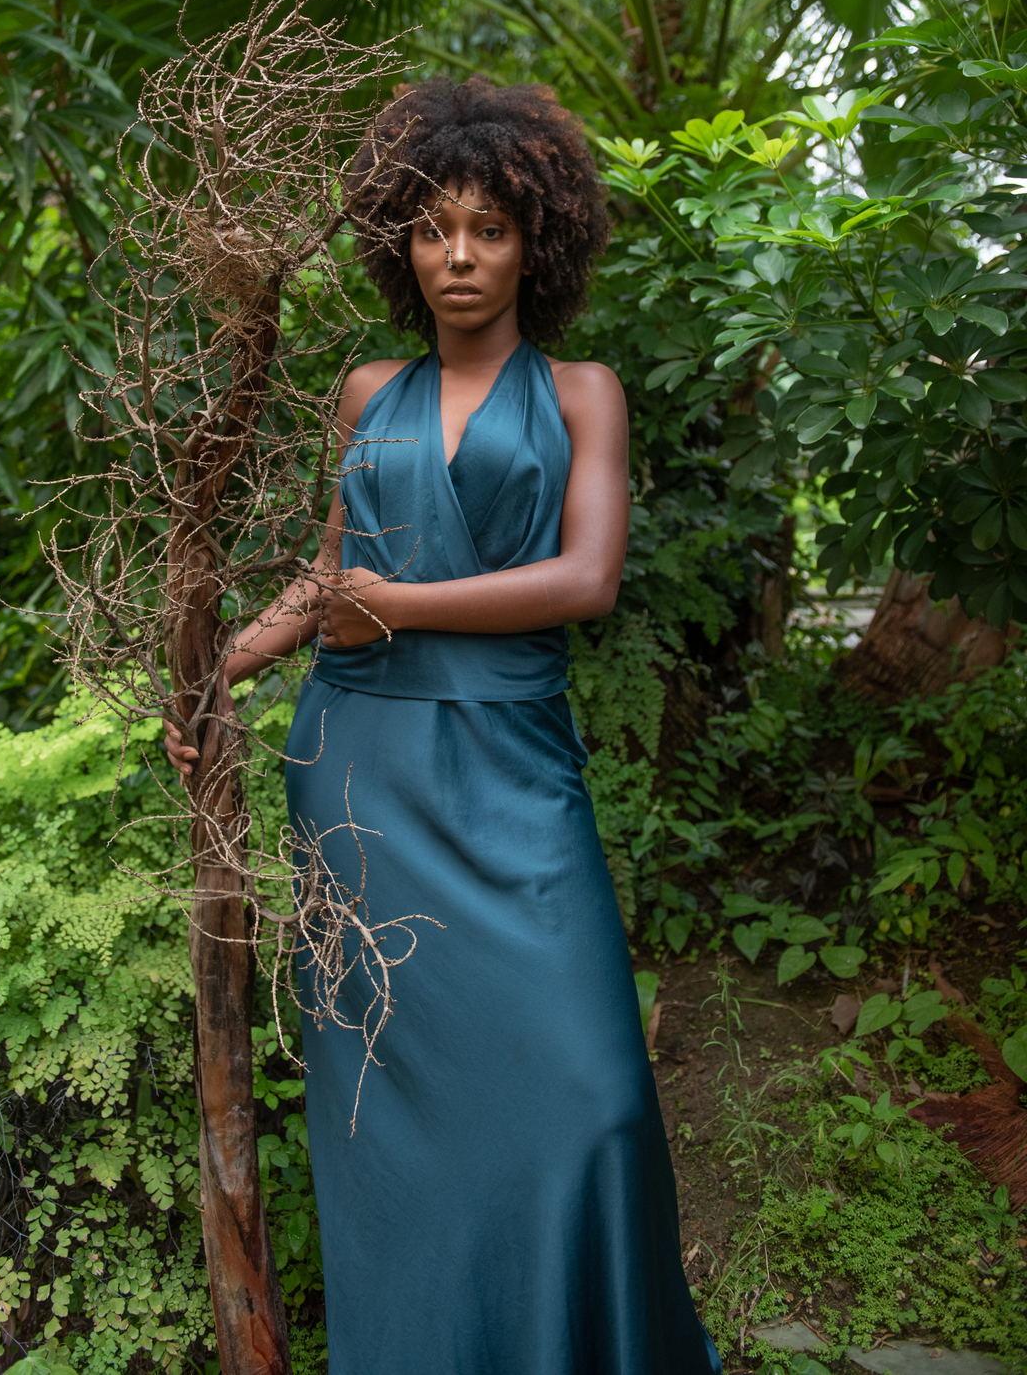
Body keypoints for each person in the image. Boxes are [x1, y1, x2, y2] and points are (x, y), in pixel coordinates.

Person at [165, 76, 720, 1375]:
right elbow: (327, 573)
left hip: (515, 772)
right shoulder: (368, 391)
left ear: (537, 242)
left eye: (488, 228)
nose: (459, 255)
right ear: (399, 247)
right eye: (432, 229)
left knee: (593, 1099)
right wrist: (217, 673)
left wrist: (398, 606)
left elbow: (587, 580)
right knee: (398, 1119)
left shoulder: (581, 393)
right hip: (364, 772)